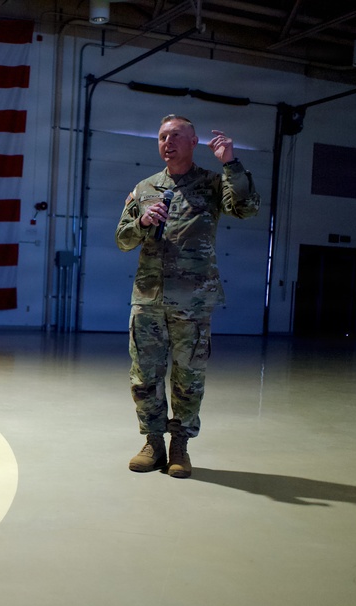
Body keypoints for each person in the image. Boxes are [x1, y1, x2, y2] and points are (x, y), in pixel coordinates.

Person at [115, 114, 260, 478]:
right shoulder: (145, 187)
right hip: (148, 299)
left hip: (192, 301)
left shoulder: (213, 183)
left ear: (194, 142)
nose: (168, 142)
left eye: (177, 136)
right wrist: (142, 222)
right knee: (144, 375)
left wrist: (231, 162)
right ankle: (153, 442)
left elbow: (246, 207)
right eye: (163, 136)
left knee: (188, 376)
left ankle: (180, 445)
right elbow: (122, 240)